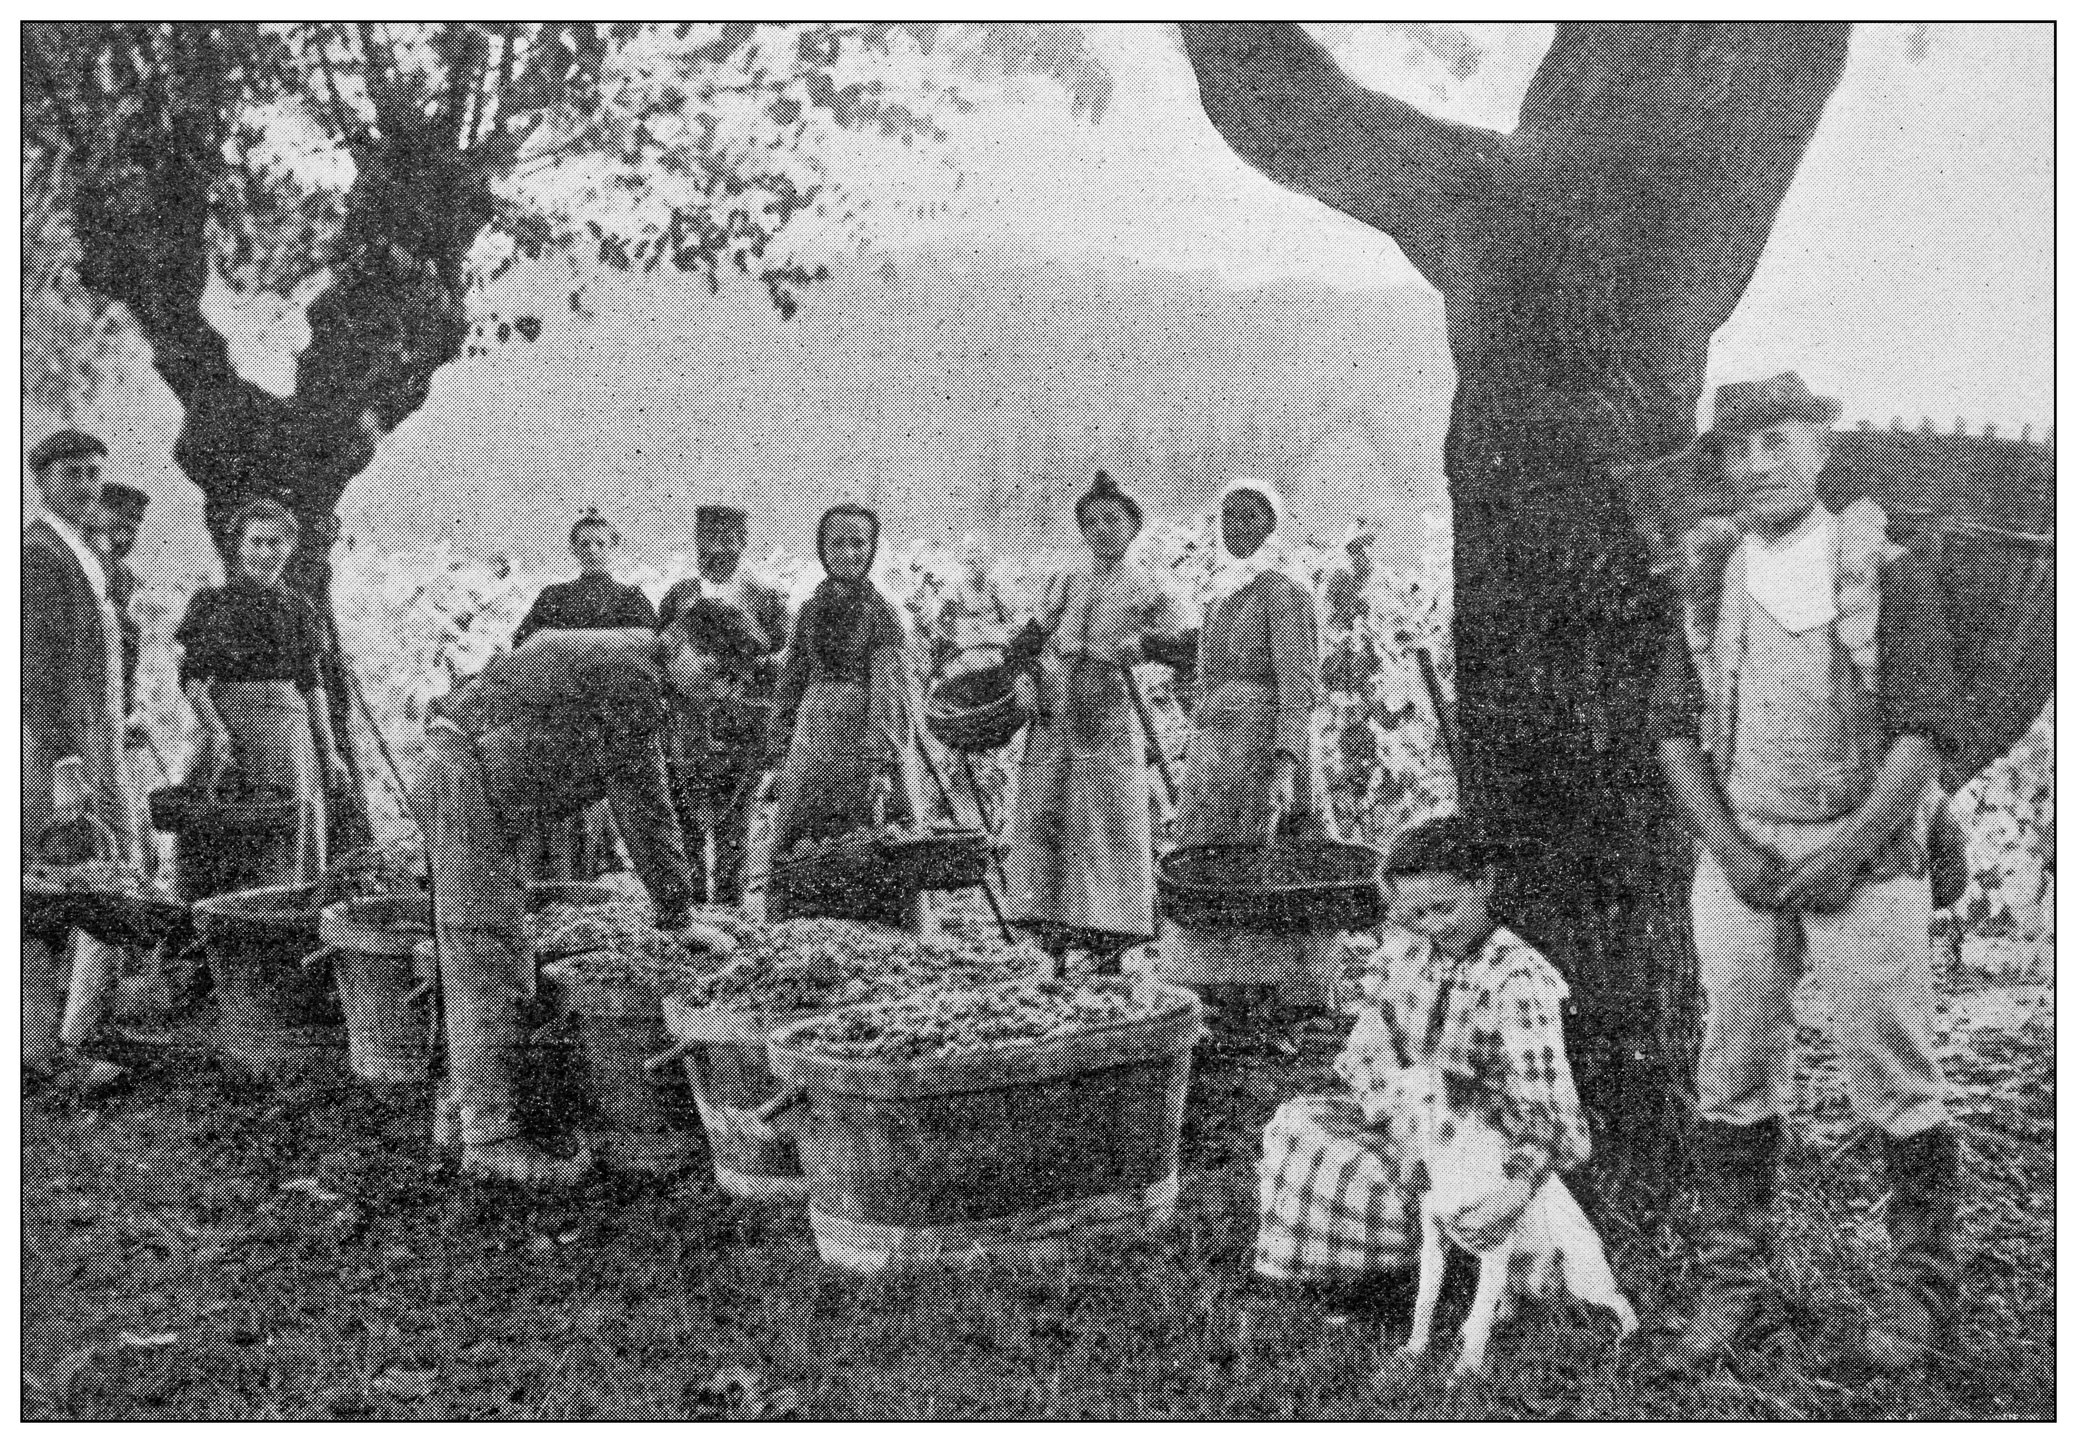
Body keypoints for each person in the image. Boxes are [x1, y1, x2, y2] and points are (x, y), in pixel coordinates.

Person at [1650, 372, 1963, 1373]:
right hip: (1743, 855)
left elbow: (1920, 734)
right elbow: (1671, 735)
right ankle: (1732, 1287)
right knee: (1732, 1063)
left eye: (1775, 442)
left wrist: (1844, 853)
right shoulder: (1711, 574)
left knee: (1893, 1072)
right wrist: (1735, 852)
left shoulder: (1883, 568)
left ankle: (1919, 1299)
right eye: (1736, 451)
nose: (1754, 466)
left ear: (1821, 449)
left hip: (1867, 856)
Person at [412, 620, 705, 1184]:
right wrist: (678, 917)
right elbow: (643, 804)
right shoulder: (634, 676)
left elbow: (646, 796)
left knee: (503, 943)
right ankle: (489, 1139)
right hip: (465, 769)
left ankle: (470, 1108)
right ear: (690, 650)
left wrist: (677, 913)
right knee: (484, 946)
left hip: (490, 775)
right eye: (714, 675)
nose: (715, 693)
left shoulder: (642, 673)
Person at [1253, 817, 1591, 1299]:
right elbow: (1368, 1047)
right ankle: (1324, 1269)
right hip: (1408, 1118)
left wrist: (1477, 1147)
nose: (1434, 928)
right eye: (1416, 916)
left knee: (1383, 1174)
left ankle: (1409, 1278)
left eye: (1444, 909)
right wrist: (1381, 1094)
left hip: (1482, 1149)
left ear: (1483, 887)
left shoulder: (1517, 983)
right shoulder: (1412, 954)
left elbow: (1546, 1117)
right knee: (1297, 1124)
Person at [1159, 478, 1331, 1031]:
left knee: (1259, 862)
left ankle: (1277, 993)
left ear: (1271, 527)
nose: (1238, 529)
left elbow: (1296, 684)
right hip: (1214, 749)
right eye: (1230, 517)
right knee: (1207, 857)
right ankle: (1218, 987)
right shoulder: (1227, 598)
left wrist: (1291, 763)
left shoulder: (1288, 593)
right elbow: (1206, 670)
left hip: (1259, 749)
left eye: (1251, 519)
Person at [1001, 470, 1189, 968]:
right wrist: (1018, 670)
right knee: (1048, 813)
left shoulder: (1146, 585)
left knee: (1107, 818)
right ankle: (1051, 936)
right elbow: (1032, 636)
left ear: (1132, 528)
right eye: (1094, 520)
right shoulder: (1066, 578)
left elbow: (1183, 649)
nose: (1104, 530)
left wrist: (1136, 651)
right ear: (1083, 527)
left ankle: (1111, 935)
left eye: (1115, 521)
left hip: (1110, 708)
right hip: (1057, 705)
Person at [23, 429, 143, 1092]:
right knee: (45, 893)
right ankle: (41, 1052)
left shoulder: (82, 551)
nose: (88, 486)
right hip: (54, 747)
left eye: (95, 473)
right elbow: (34, 669)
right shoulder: (38, 554)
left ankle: (75, 1033)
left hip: (95, 737)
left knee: (97, 882)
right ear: (41, 480)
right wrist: (66, 759)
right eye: (73, 473)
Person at [170, 499, 350, 900]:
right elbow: (194, 679)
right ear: (239, 546)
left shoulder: (299, 608)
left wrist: (328, 749)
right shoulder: (212, 603)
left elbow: (311, 682)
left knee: (288, 831)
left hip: (287, 738)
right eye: (258, 542)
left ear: (289, 548)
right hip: (225, 728)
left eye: (276, 544)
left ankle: (281, 935)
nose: (266, 553)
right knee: (217, 829)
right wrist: (217, 736)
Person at [764, 504, 926, 932]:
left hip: (864, 729)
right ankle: (799, 925)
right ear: (822, 550)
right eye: (838, 543)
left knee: (877, 830)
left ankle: (888, 930)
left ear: (872, 550)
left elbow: (890, 690)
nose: (848, 553)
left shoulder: (883, 615)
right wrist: (780, 744)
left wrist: (881, 760)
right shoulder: (809, 612)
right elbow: (792, 677)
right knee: (801, 832)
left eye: (859, 544)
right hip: (814, 735)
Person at [512, 511, 658, 882]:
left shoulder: (631, 599)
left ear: (614, 547)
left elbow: (645, 656)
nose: (593, 551)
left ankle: (595, 871)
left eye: (601, 544)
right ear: (573, 550)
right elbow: (524, 646)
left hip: (610, 712)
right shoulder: (554, 597)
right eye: (585, 545)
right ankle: (550, 876)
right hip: (559, 709)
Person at [656, 505, 792, 906]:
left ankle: (731, 901)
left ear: (742, 543)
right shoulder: (679, 596)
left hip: (742, 720)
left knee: (736, 815)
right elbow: (661, 653)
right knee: (687, 814)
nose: (718, 550)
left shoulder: (765, 599)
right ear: (697, 544)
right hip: (688, 723)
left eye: (728, 541)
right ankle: (694, 901)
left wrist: (744, 669)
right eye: (709, 541)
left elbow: (781, 658)